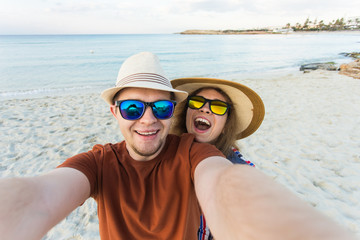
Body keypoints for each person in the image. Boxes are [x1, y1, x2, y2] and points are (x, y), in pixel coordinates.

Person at [0, 52, 358, 240]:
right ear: (114, 112)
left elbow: (225, 184)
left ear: (172, 112)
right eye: (132, 107)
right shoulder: (98, 162)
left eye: (160, 107)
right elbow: (40, 197)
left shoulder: (192, 151)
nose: (147, 118)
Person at [170, 77, 265, 239]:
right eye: (197, 102)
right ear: (186, 112)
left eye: (218, 107)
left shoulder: (236, 169)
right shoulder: (166, 154)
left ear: (225, 126)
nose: (205, 109)